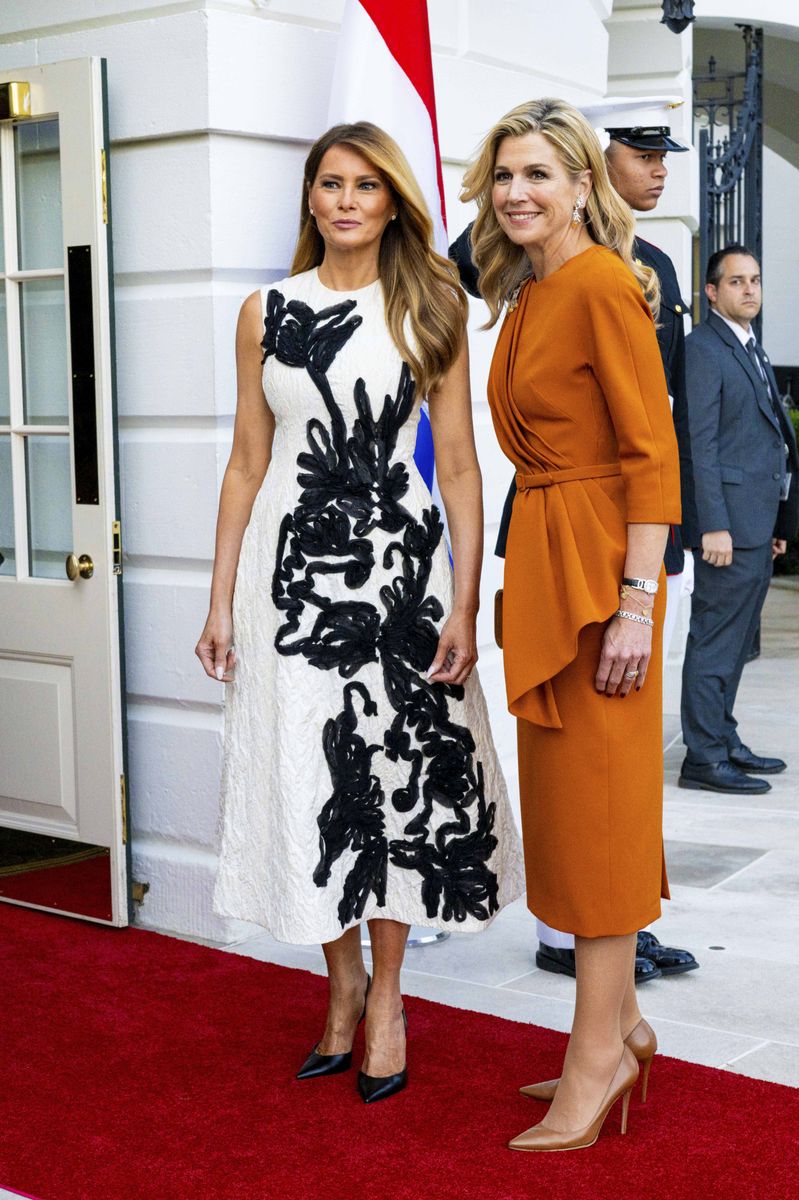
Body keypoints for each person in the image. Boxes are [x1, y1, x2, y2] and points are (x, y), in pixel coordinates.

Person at [196, 121, 524, 1105]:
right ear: (310, 199)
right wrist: (219, 599)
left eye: (365, 185)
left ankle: (388, 997)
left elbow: (459, 465)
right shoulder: (266, 312)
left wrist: (463, 598)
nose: (346, 200)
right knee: (307, 779)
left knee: (390, 783)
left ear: (391, 203)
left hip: (401, 580)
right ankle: (339, 985)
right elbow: (248, 462)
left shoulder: (431, 304)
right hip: (287, 587)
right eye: (330, 184)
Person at [462, 96, 681, 1152]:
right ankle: (622, 1027)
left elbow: (652, 456)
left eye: (539, 174)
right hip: (550, 561)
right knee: (564, 809)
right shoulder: (529, 291)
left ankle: (594, 1059)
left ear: (583, 183)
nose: (516, 193)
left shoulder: (598, 283)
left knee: (596, 824)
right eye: (504, 174)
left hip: (602, 576)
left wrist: (636, 601)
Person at [679, 245, 799, 794]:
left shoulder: (751, 347)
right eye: (736, 282)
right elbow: (699, 442)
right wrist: (713, 525)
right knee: (714, 640)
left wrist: (775, 521)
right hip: (726, 526)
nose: (749, 290)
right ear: (712, 292)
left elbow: (763, 438)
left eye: (754, 280)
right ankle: (703, 757)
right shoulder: (704, 347)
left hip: (755, 522)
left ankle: (723, 738)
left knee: (736, 640)